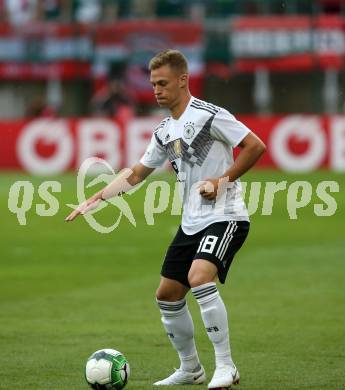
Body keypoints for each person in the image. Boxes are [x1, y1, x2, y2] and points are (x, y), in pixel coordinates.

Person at [65, 49, 266, 389]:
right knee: (168, 294)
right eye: (153, 83)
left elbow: (254, 145)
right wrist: (98, 197)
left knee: (200, 277)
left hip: (226, 215)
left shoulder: (210, 115)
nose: (156, 90)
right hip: (191, 221)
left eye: (162, 83)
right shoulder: (164, 130)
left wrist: (222, 181)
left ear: (183, 80)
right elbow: (137, 173)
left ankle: (226, 366)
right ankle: (190, 368)